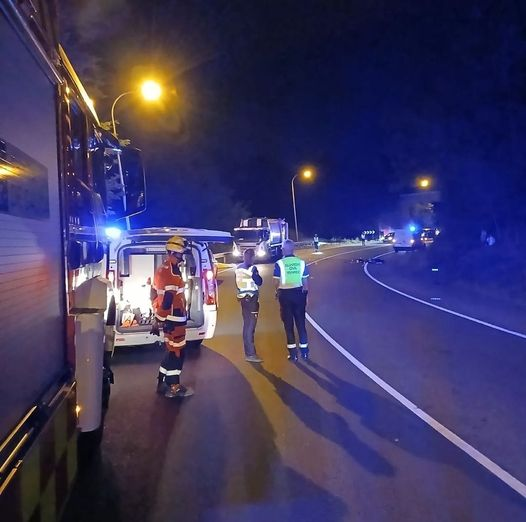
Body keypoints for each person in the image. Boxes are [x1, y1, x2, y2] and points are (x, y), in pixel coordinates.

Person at [150, 235, 194, 398]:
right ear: (175, 252)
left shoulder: (162, 268)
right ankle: (173, 386)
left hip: (169, 319)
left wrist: (158, 317)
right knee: (178, 353)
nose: (183, 257)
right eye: (181, 254)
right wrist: (158, 320)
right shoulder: (173, 273)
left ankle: (161, 381)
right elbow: (168, 300)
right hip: (175, 320)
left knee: (171, 350)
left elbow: (154, 292)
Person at [274, 239, 310, 361]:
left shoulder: (279, 263)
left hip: (285, 296)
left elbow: (276, 282)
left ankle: (293, 354)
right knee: (301, 324)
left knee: (288, 325)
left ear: (284, 249)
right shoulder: (301, 262)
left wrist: (277, 292)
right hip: (299, 295)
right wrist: (305, 297)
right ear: (293, 249)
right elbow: (305, 282)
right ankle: (304, 352)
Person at [235, 248, 263, 363]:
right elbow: (259, 282)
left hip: (243, 299)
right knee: (250, 327)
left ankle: (248, 352)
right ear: (252, 257)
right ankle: (251, 354)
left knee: (246, 325)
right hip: (251, 299)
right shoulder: (252, 268)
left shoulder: (238, 268)